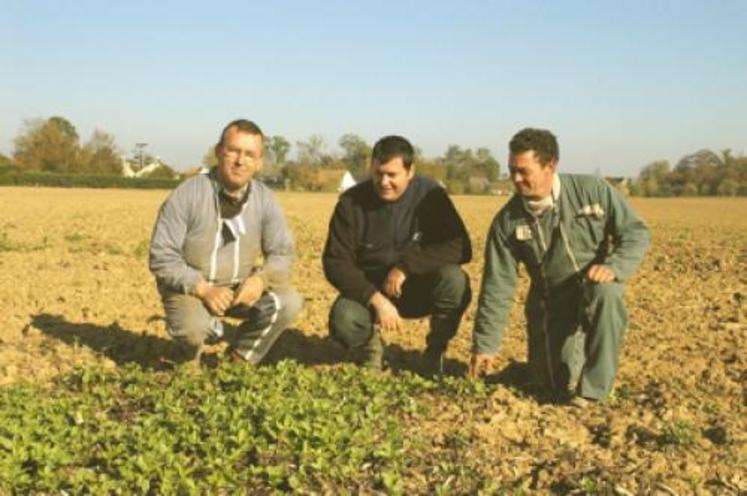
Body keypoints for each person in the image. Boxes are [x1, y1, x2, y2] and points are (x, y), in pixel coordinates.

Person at [469, 128, 650, 406]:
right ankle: (540, 367)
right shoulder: (507, 222)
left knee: (608, 295)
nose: (516, 179)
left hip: (594, 287)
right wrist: (485, 345)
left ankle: (594, 390)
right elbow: (498, 285)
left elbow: (636, 232)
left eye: (523, 171)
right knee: (553, 384)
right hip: (549, 302)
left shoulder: (593, 191)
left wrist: (614, 266)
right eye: (511, 170)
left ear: (550, 165)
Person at [149, 119, 303, 365]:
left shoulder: (265, 200)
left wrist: (259, 279)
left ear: (259, 162)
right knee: (193, 329)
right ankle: (190, 353)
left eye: (250, 155)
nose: (240, 161)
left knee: (288, 301)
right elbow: (162, 256)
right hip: (192, 289)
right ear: (219, 151)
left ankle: (239, 358)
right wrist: (203, 289)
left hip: (238, 289)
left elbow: (282, 254)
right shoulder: (187, 195)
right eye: (233, 151)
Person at [322, 135, 472, 374]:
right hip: (371, 291)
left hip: (418, 287)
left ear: (410, 171)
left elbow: (460, 246)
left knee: (455, 281)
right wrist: (376, 299)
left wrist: (405, 267)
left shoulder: (430, 196)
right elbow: (335, 262)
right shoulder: (350, 203)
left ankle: (434, 353)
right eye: (378, 173)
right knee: (344, 318)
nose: (384, 182)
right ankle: (372, 352)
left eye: (392, 175)